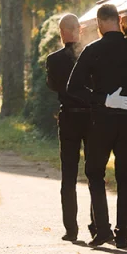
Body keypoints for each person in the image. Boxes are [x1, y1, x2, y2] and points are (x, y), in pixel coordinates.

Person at [67, 4, 127, 249]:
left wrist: (102, 99)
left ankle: (102, 229)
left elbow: (73, 87)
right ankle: (123, 234)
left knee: (95, 173)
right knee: (126, 176)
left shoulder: (93, 50)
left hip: (101, 121)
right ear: (120, 19)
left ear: (99, 23)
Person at [45, 13, 93, 242]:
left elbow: (53, 86)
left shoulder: (53, 60)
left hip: (68, 118)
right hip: (91, 117)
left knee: (69, 175)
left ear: (61, 32)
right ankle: (97, 224)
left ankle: (71, 229)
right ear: (80, 30)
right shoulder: (89, 55)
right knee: (94, 172)